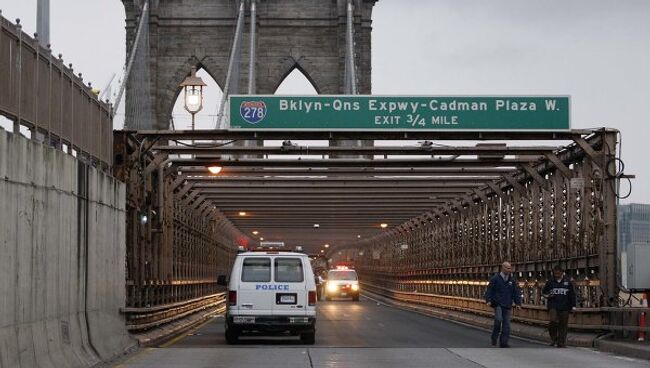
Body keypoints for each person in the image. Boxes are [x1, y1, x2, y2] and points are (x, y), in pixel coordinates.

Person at [484, 262, 522, 348]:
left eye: (510, 268)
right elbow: (489, 290)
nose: (509, 270)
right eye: (508, 268)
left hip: (507, 304)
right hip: (498, 304)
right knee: (498, 320)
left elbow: (516, 292)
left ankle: (504, 342)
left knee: (506, 324)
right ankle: (494, 337)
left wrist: (518, 303)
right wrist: (488, 300)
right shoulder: (495, 279)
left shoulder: (512, 280)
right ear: (503, 268)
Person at [542, 265, 576, 348]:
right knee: (553, 320)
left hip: (565, 306)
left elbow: (572, 294)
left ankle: (561, 342)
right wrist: (548, 295)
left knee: (563, 324)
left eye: (558, 273)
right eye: (555, 273)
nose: (556, 275)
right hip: (553, 305)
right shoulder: (550, 282)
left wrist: (573, 306)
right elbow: (544, 292)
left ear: (562, 272)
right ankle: (554, 338)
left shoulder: (567, 282)